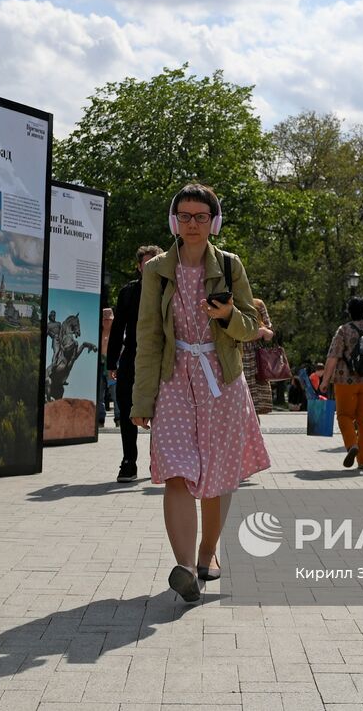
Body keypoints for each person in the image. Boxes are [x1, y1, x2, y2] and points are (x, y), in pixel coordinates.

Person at [132, 183, 270, 603]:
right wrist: (141, 399)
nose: (193, 224)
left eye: (201, 216)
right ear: (174, 221)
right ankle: (186, 567)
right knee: (176, 469)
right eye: (185, 216)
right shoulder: (157, 269)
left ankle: (208, 554)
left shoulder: (229, 265)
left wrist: (229, 315)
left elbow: (251, 327)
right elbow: (149, 337)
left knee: (217, 475)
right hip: (174, 380)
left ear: (214, 221)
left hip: (221, 382)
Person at [107, 245, 164, 482]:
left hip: (161, 356)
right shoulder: (128, 292)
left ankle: (157, 461)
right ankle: (129, 461)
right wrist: (112, 362)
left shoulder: (168, 289)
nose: (149, 267)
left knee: (160, 410)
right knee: (127, 406)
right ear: (139, 266)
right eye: (146, 263)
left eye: (154, 263)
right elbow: (117, 327)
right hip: (131, 356)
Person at [318, 296, 363, 472]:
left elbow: (333, 357)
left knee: (344, 416)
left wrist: (325, 380)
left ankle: (352, 444)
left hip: (345, 381)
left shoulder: (343, 330)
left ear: (350, 312)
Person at [241, 296, 276, 414]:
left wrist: (264, 331)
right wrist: (256, 333)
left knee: (254, 409)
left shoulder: (258, 304)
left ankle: (254, 432)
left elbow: (270, 333)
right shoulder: (226, 304)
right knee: (238, 405)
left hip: (256, 360)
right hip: (236, 356)